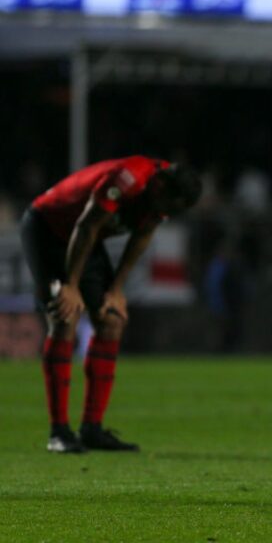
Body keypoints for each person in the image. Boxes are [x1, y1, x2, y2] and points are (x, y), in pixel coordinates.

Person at [20, 156, 202, 453]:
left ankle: (91, 429)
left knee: (112, 319)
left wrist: (116, 290)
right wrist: (72, 286)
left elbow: (142, 235)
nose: (164, 213)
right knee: (66, 317)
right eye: (166, 206)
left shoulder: (163, 193)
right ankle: (59, 432)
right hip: (48, 229)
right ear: (160, 186)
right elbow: (87, 226)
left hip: (83, 241)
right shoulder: (128, 179)